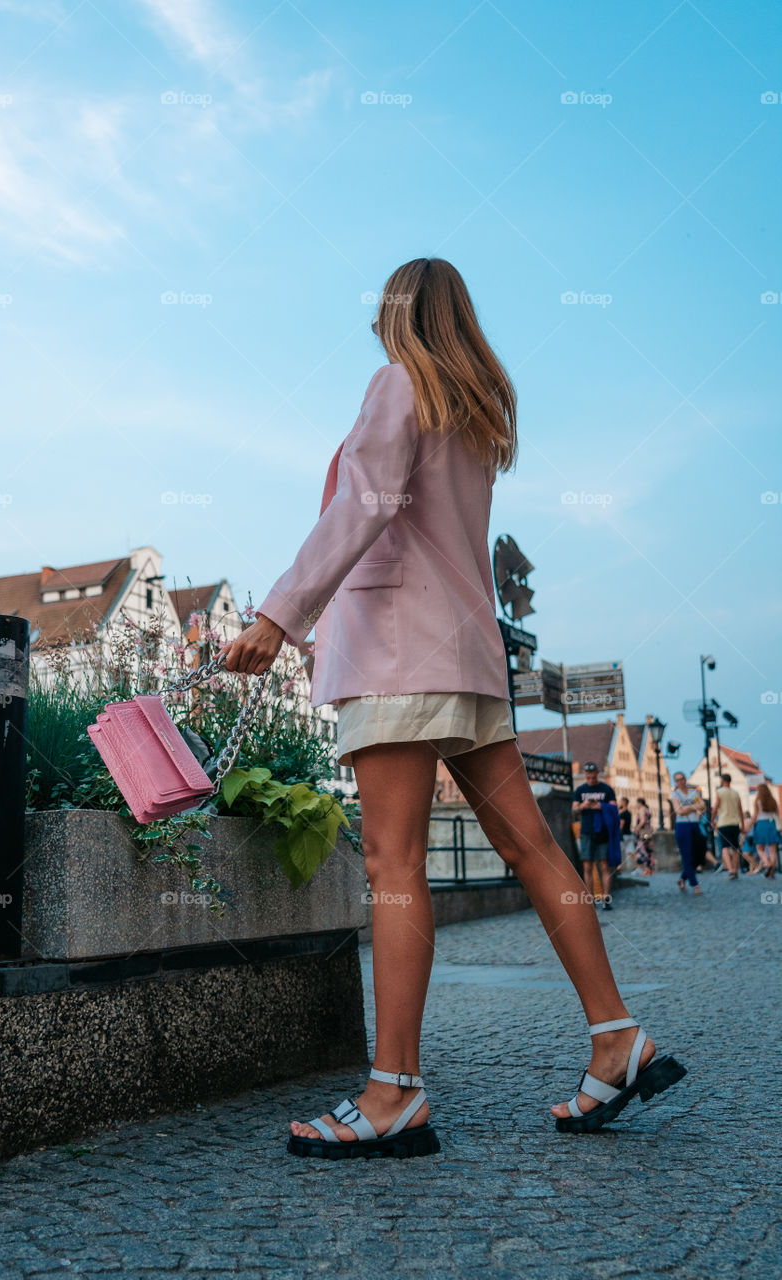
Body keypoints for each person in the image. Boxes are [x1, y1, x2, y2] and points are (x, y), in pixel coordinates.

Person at [220, 257, 686, 1158]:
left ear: (398, 314)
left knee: (393, 864)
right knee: (532, 847)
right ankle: (615, 1036)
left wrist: (279, 613)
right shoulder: (470, 418)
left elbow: (362, 505)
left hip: (398, 653)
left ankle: (392, 1092)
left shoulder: (397, 387)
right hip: (467, 659)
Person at [572, 763, 618, 909]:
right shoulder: (580, 790)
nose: (591, 780)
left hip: (603, 832)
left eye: (593, 777)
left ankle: (606, 898)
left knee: (604, 866)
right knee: (587, 866)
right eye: (588, 777)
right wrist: (582, 806)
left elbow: (614, 807)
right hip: (586, 831)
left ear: (597, 773)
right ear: (585, 775)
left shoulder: (606, 789)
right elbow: (574, 810)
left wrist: (600, 806)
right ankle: (590, 899)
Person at [670, 771, 704, 895]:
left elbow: (702, 804)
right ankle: (695, 884)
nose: (680, 782)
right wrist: (694, 807)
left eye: (682, 779)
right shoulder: (675, 794)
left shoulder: (693, 792)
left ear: (685, 780)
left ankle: (682, 879)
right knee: (687, 855)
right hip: (682, 826)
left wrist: (688, 808)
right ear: (676, 782)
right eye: (677, 780)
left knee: (697, 855)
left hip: (695, 825)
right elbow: (678, 811)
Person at [712, 773, 744, 878]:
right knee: (735, 848)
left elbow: (716, 807)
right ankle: (735, 870)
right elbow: (740, 810)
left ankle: (730, 870)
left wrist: (712, 820)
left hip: (724, 823)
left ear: (722, 781)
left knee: (725, 847)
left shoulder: (720, 792)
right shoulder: (735, 793)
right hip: (735, 823)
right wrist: (742, 824)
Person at [750, 783, 779, 879]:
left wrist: (750, 825)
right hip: (771, 823)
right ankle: (772, 873)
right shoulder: (773, 801)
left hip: (761, 824)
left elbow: (754, 816)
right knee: (773, 850)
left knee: (759, 848)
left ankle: (767, 863)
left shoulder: (757, 801)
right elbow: (778, 814)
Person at [632, 797, 655, 874]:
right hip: (648, 832)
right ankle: (649, 869)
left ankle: (644, 869)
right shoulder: (647, 809)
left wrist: (637, 829)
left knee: (641, 850)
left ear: (639, 803)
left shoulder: (642, 809)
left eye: (637, 803)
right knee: (649, 851)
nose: (636, 805)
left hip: (642, 833)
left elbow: (642, 821)